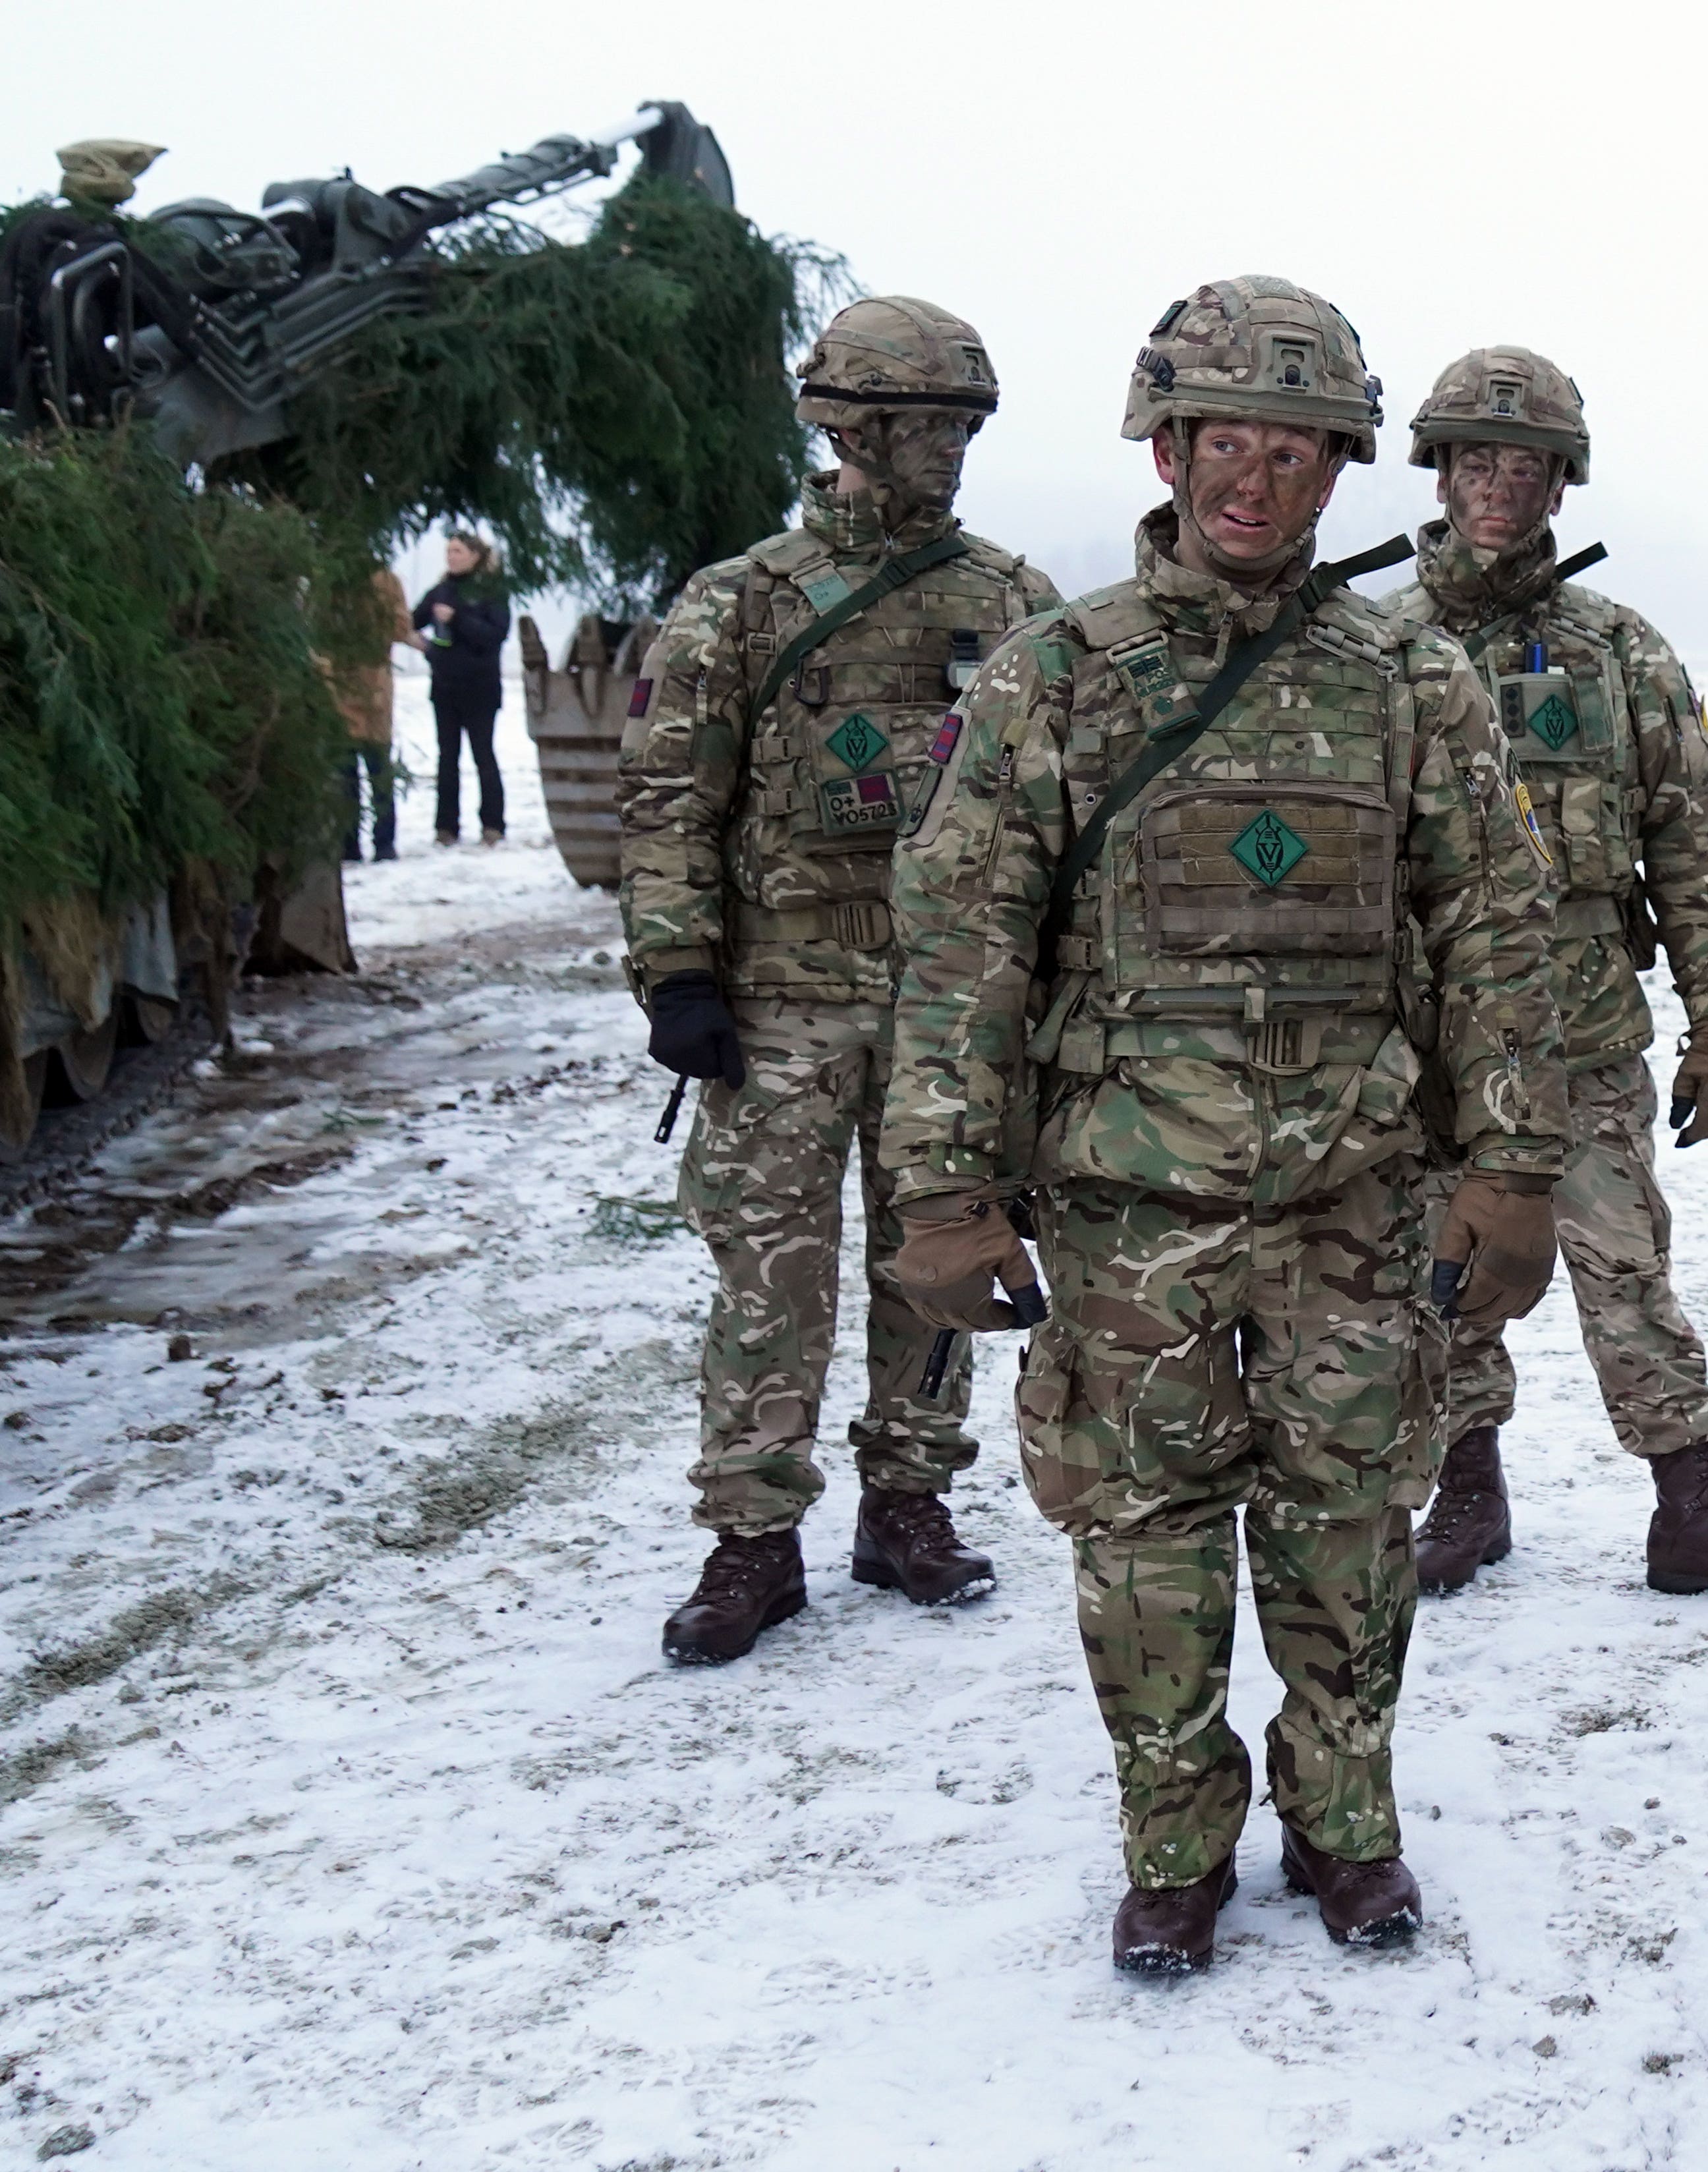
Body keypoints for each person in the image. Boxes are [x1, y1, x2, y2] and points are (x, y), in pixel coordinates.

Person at [876, 277, 1569, 1976]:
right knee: (1145, 1548)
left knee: (1348, 1527)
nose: (1256, 484)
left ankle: (1346, 1827)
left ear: (1341, 467)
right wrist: (946, 1193)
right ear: (1169, 446)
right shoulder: (1058, 678)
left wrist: (1513, 1167)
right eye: (1224, 444)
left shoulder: (1410, 680)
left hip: (1353, 1205)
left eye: (1297, 451)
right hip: (1130, 1212)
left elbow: (1495, 928)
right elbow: (964, 940)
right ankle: (1174, 1841)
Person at [619, 297, 1060, 1666]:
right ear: (852, 428)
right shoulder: (740, 605)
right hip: (779, 1001)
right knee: (771, 1275)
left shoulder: (1012, 605)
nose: (951, 451)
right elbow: (670, 801)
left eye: (963, 426)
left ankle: (910, 1501)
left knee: (938, 1258)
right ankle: (753, 1535)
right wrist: (679, 974)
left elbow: (1064, 811)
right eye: (929, 425)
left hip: (948, 1002)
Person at [1378, 346, 1708, 1610]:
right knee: (1441, 1267)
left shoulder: (1619, 653)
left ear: (1560, 486)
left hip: (1576, 1028)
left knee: (1625, 1264)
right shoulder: (1371, 648)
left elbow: (1688, 846)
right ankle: (1463, 1484)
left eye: (1523, 466)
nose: (1496, 489)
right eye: (1475, 461)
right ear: (1437, 471)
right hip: (1420, 1039)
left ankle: (1690, 1499)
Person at [413, 534, 511, 846]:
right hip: (444, 687)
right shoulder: (441, 590)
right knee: (447, 758)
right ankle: (446, 828)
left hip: (481, 689)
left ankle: (493, 825)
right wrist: (426, 647)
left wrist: (458, 619)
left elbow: (495, 635)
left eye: (458, 551)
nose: (451, 557)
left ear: (475, 556)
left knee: (483, 755)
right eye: (448, 551)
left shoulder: (490, 591)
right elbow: (414, 620)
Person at [329, 565, 411, 863]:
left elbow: (401, 627)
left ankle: (384, 842)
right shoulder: (327, 579)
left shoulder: (385, 580)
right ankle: (350, 843)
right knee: (345, 773)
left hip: (373, 690)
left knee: (378, 770)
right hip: (338, 689)